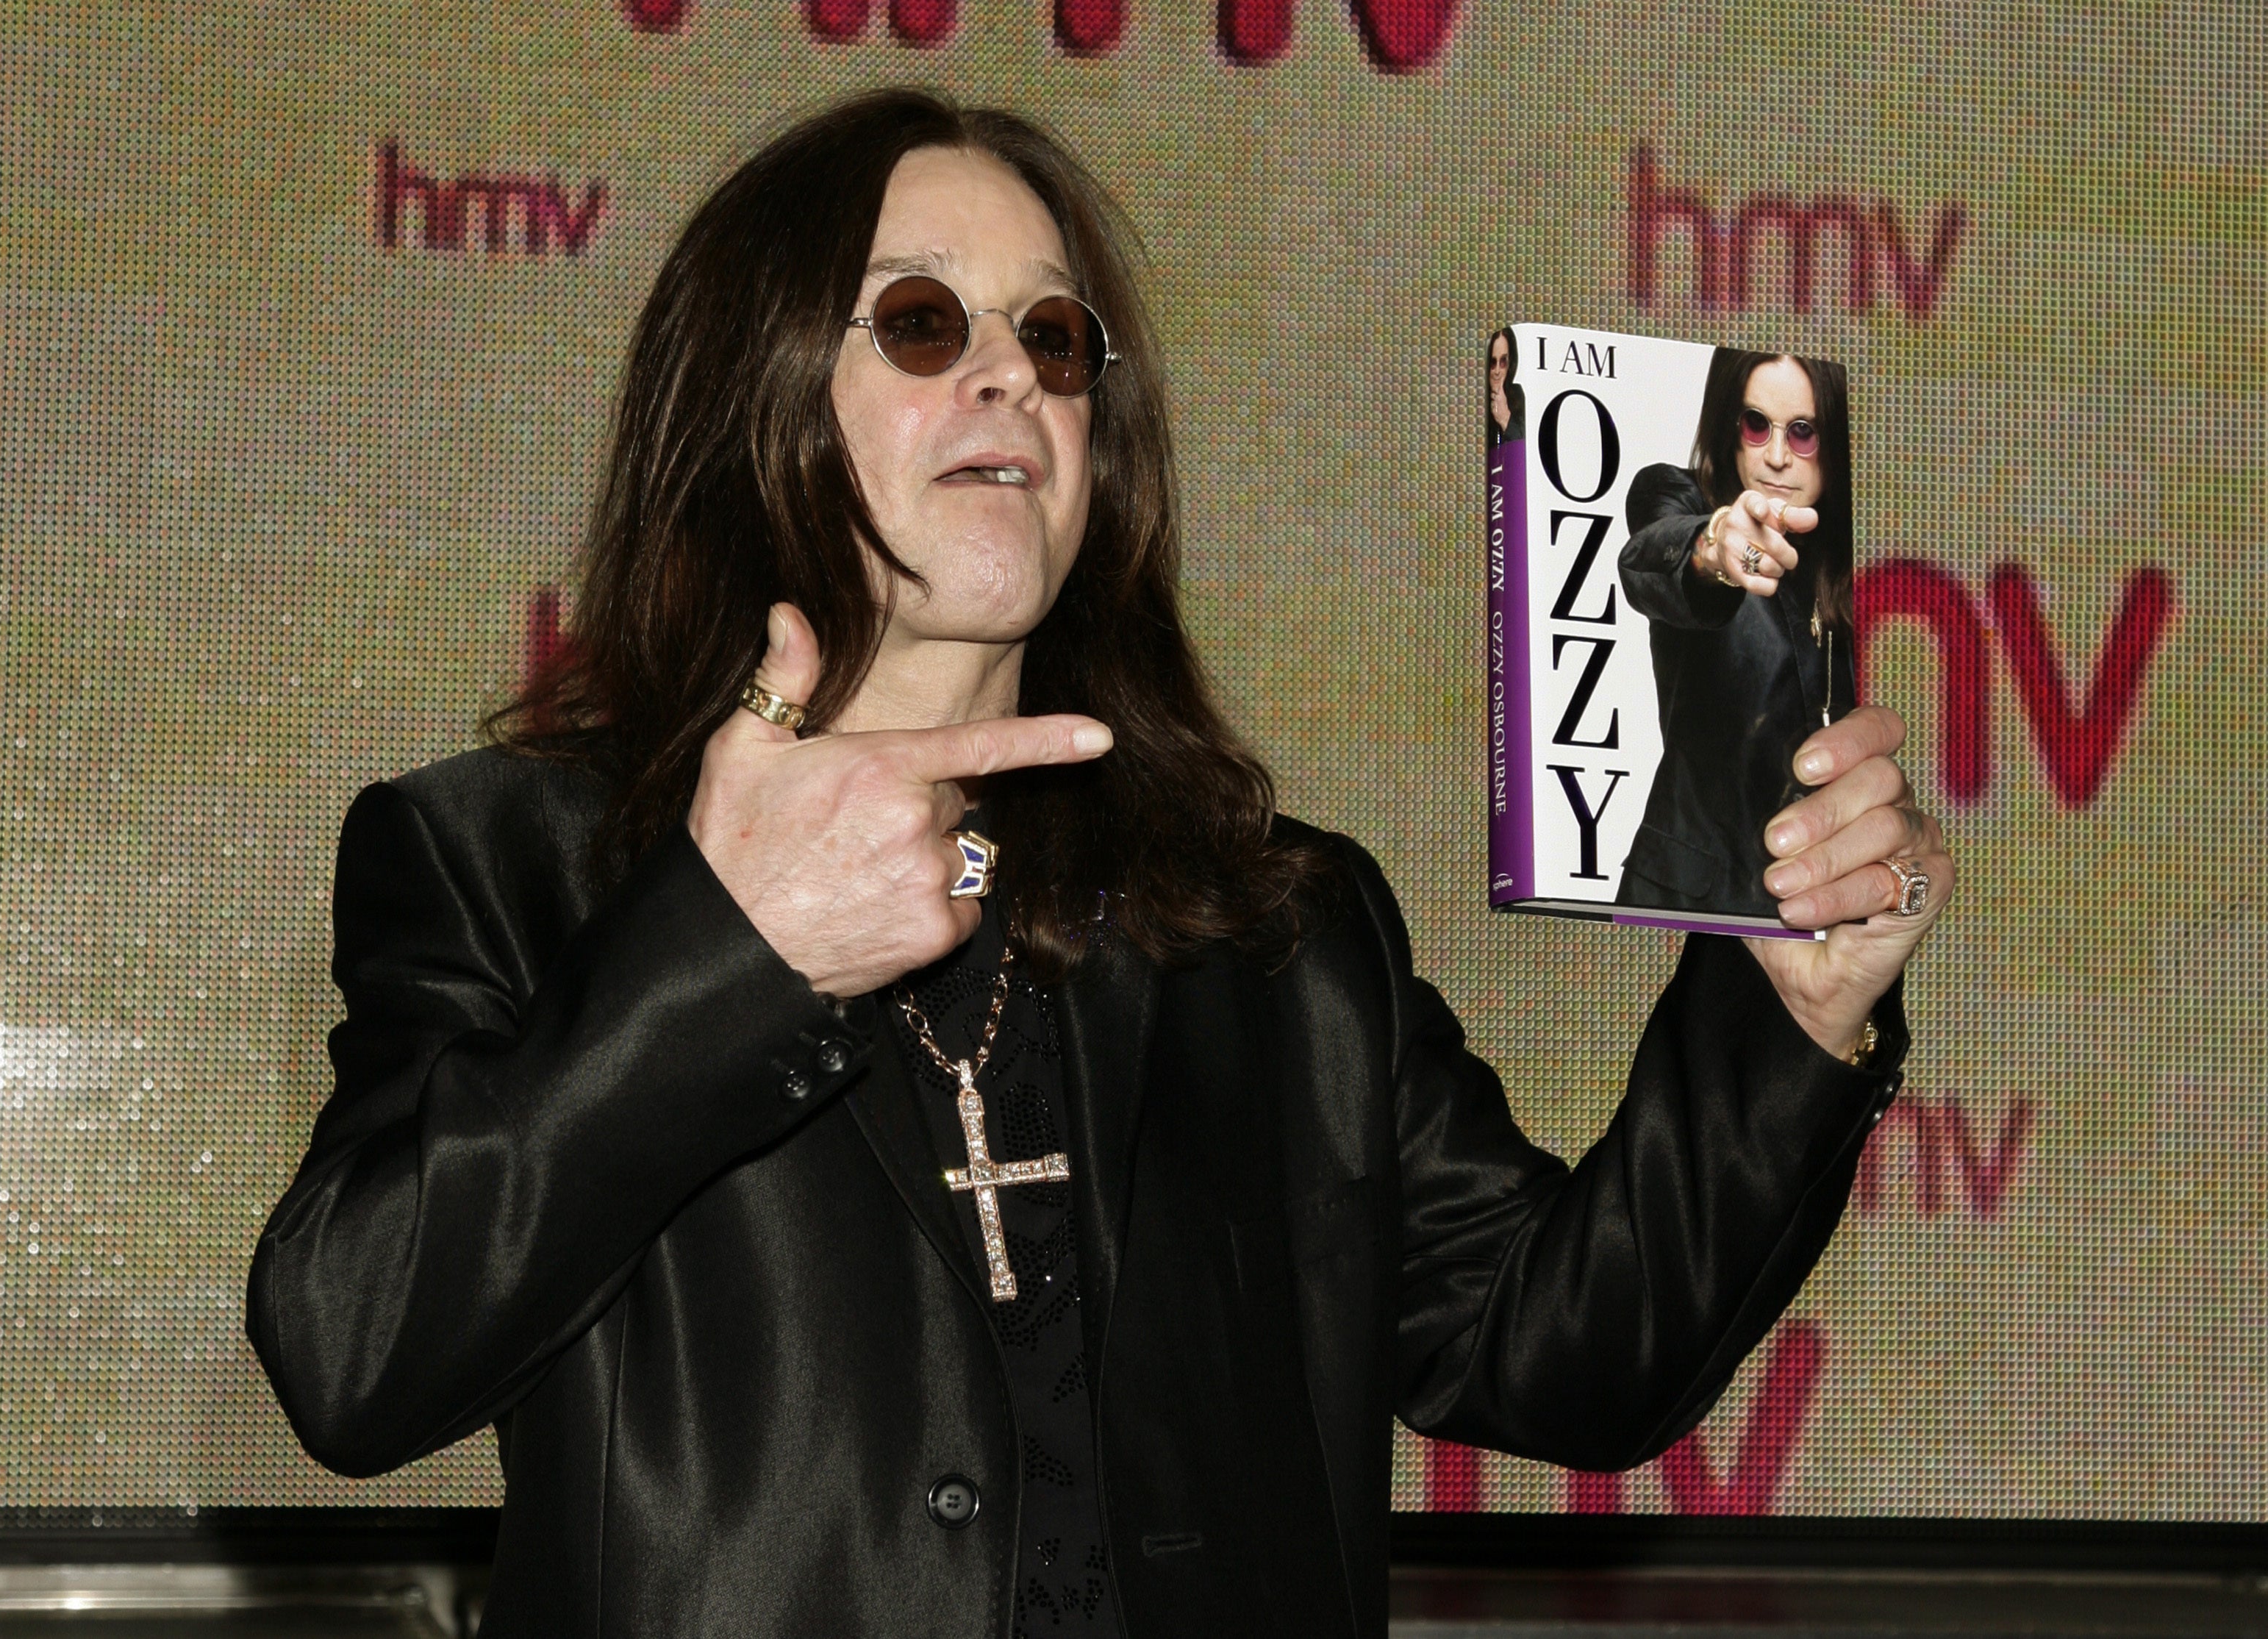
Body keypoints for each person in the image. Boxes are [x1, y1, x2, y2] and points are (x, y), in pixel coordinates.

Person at [246, 92, 1953, 1639]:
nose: (1009, 376)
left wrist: (1779, 1022)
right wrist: (727, 954)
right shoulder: (508, 860)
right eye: (921, 322)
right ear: (751, 402)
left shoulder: (1278, 924)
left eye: (1053, 340)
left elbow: (1568, 1358)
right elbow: (353, 1347)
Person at [1616, 349, 1859, 919]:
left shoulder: (1866, 557)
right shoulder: (1679, 498)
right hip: (1689, 908)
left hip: (1825, 910)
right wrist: (1718, 546)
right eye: (1756, 425)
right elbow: (1651, 557)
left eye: (1804, 433)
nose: (1776, 457)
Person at [1487, 326, 1525, 443]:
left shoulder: (1520, 399)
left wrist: (1505, 418)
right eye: (1493, 362)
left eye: (1503, 361)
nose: (1497, 371)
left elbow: (1525, 448)